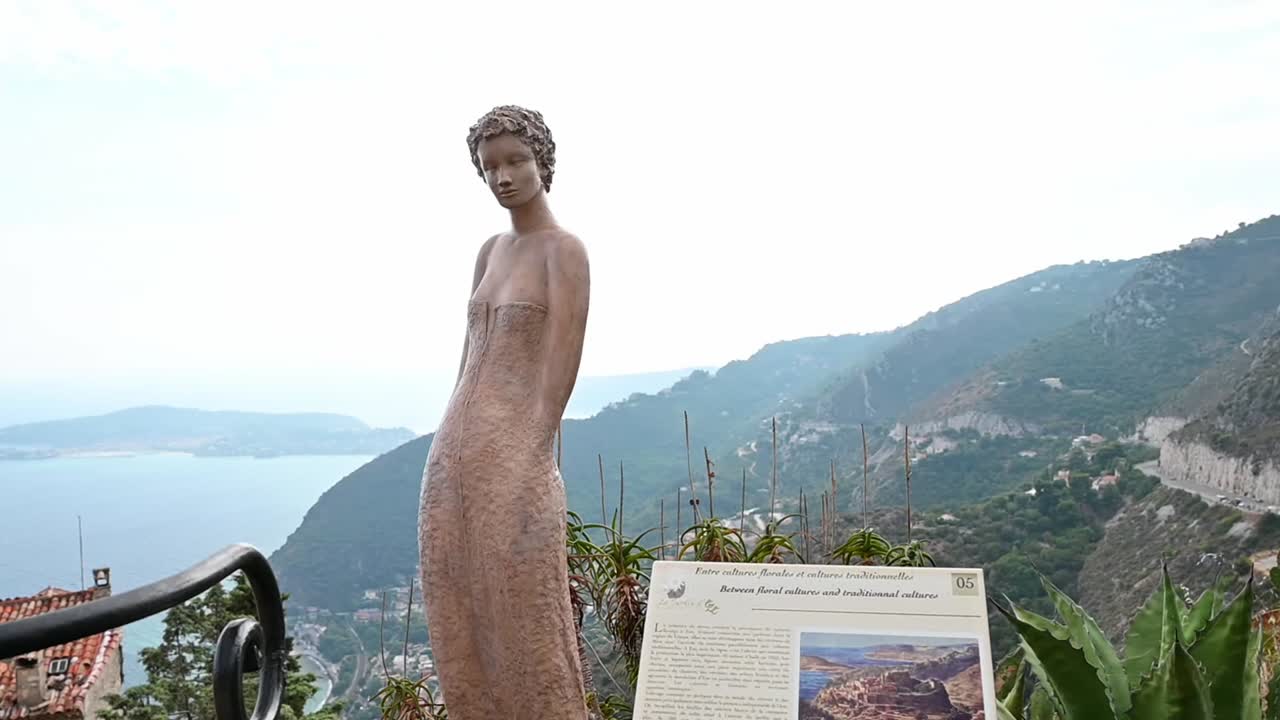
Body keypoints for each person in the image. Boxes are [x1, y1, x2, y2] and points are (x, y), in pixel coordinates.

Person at [418, 105, 590, 719]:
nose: (503, 177)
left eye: (515, 160)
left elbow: (558, 377)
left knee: (525, 612)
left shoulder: (564, 252)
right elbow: (466, 363)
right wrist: (446, 447)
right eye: (490, 166)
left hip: (516, 456)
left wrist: (532, 457)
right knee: (456, 607)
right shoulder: (489, 250)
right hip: (452, 457)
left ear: (542, 160)